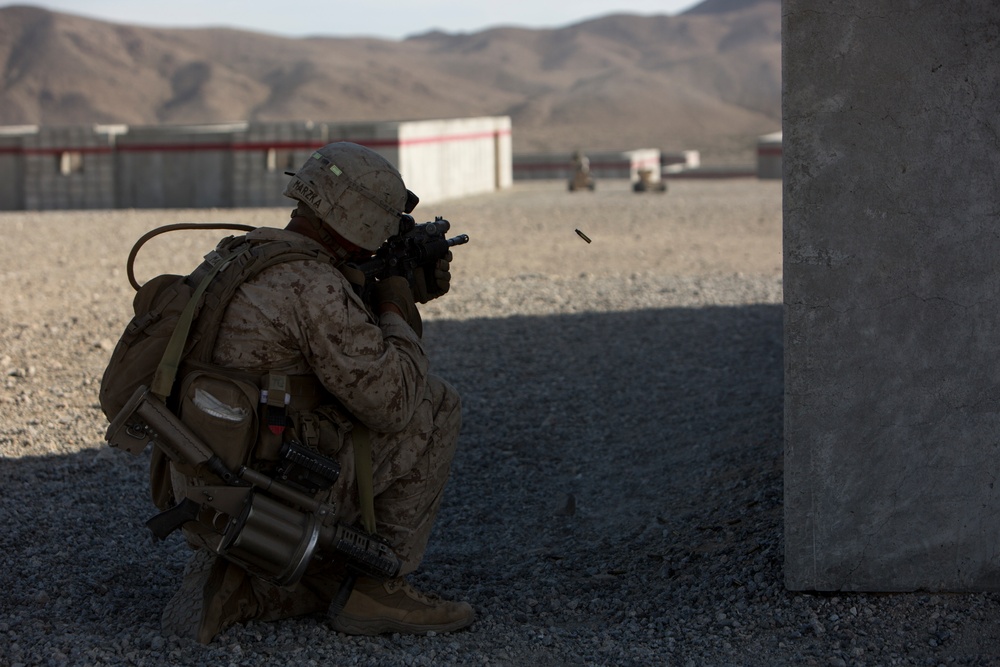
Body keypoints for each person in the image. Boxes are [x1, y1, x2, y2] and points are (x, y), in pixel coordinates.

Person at [158, 142, 474, 643]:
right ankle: (376, 587)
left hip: (202, 486)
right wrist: (395, 306)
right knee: (434, 404)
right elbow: (391, 401)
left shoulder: (240, 256)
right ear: (361, 220)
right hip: (267, 494)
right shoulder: (313, 285)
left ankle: (248, 585)